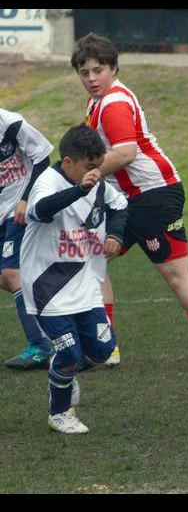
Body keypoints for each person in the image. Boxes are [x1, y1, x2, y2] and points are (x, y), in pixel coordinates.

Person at [71, 32, 188, 373]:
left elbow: (125, 152)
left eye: (98, 70)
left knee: (177, 274)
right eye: (84, 71)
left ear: (114, 69)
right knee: (92, 258)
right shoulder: (97, 103)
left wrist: (81, 176)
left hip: (152, 196)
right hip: (127, 199)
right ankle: (104, 348)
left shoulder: (114, 102)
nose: (91, 78)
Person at [20, 124, 128, 433]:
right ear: (68, 163)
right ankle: (59, 413)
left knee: (103, 351)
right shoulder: (49, 182)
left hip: (86, 284)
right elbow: (40, 210)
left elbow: (120, 207)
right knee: (68, 352)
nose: (96, 173)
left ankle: (63, 376)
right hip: (47, 287)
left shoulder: (99, 185)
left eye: (99, 165)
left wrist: (116, 236)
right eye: (89, 166)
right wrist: (79, 190)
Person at [1, 108, 54, 369]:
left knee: (12, 272)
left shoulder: (10, 123)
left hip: (19, 208)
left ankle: (41, 345)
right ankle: (59, 312)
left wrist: (25, 199)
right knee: (9, 277)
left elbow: (43, 157)